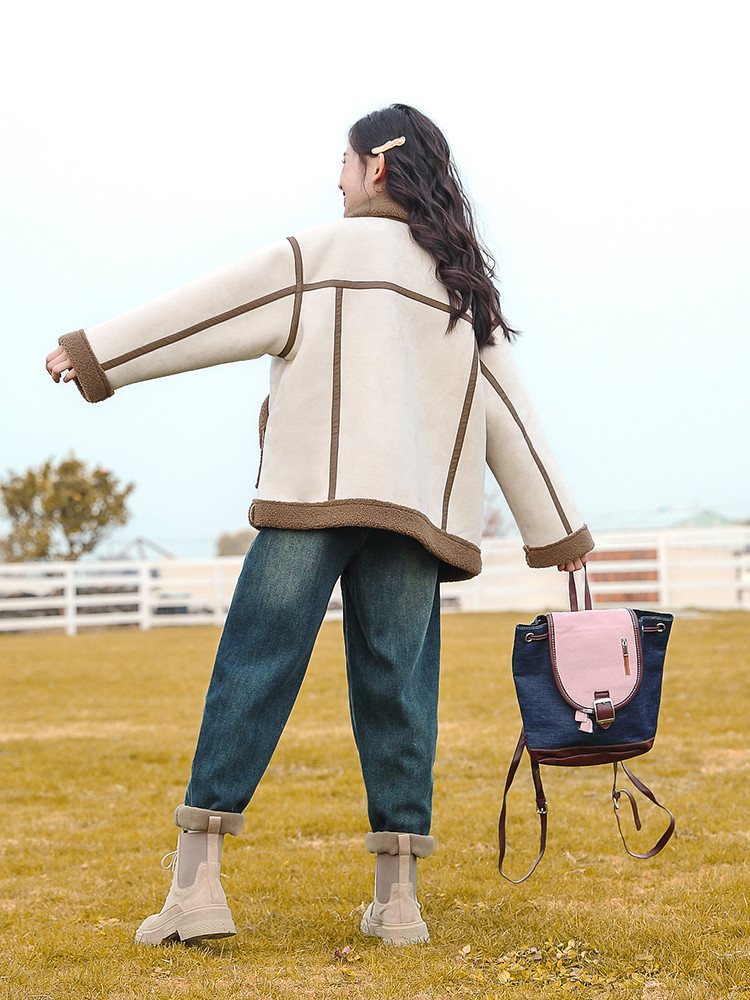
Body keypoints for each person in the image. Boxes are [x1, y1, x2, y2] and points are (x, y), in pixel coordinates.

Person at [46, 103, 592, 947]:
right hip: (413, 518)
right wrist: (560, 534)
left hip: (312, 499)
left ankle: (197, 890)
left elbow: (207, 311)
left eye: (342, 160)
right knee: (399, 692)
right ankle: (399, 905)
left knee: (252, 669)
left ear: (377, 165)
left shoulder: (319, 253)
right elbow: (511, 415)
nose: (335, 178)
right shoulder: (459, 284)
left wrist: (95, 355)